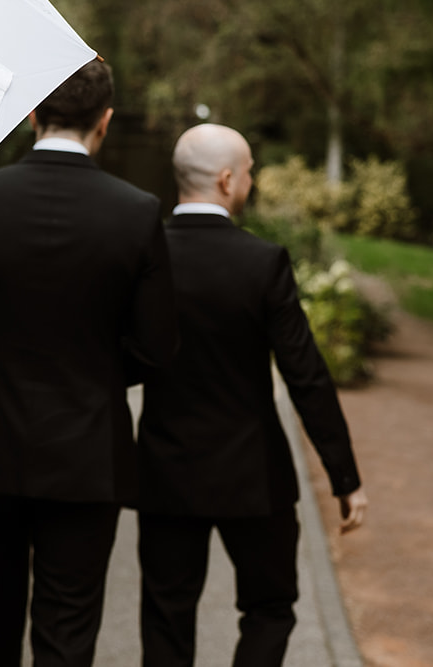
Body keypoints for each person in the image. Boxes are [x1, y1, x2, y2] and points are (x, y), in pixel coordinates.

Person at [0, 58, 179, 667]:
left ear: (33, 114)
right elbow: (156, 348)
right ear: (105, 121)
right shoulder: (137, 210)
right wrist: (97, 370)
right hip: (88, 453)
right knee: (69, 626)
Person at [137, 123, 369, 667]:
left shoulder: (145, 258)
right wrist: (344, 476)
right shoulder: (263, 262)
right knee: (270, 608)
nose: (252, 180)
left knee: (167, 615)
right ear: (226, 180)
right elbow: (305, 375)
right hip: (253, 474)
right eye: (248, 172)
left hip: (166, 471)